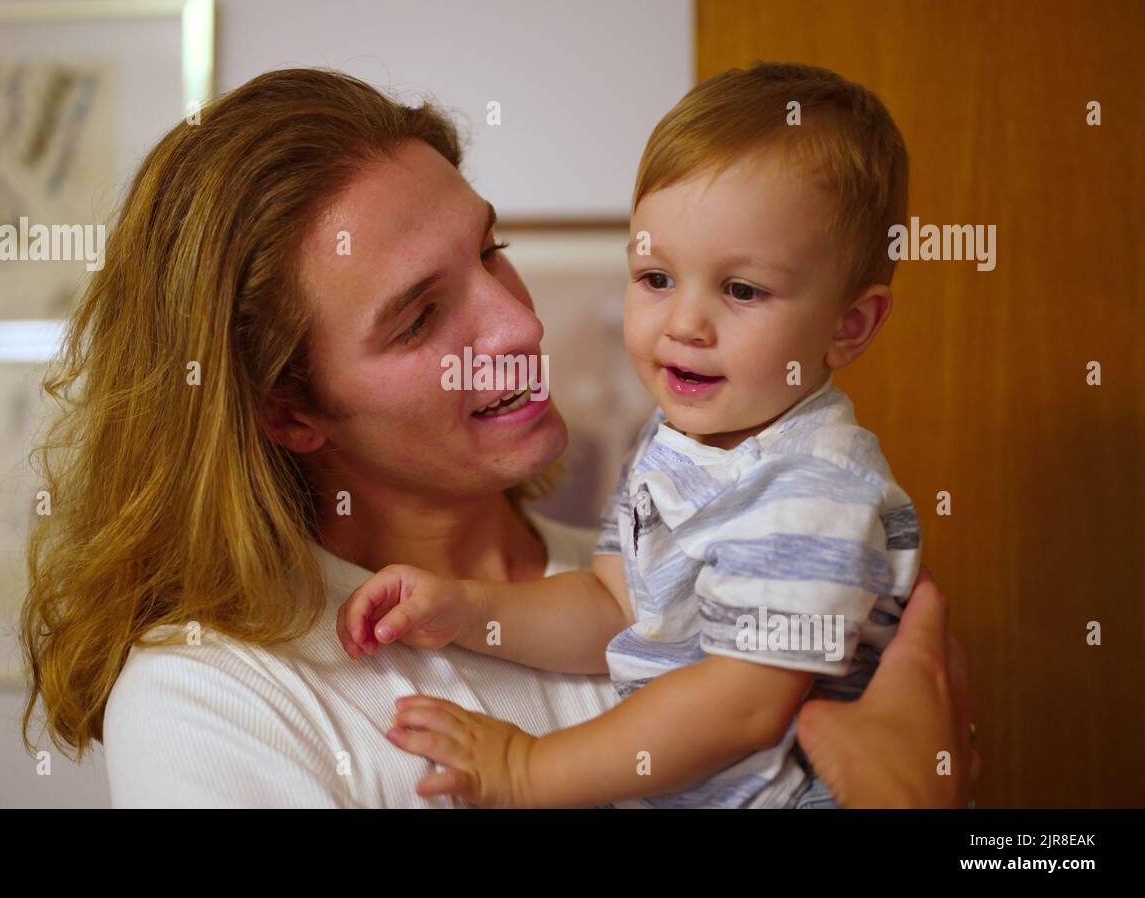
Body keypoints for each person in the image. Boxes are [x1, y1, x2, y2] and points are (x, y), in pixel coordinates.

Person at [17, 67, 978, 808]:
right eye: (419, 317)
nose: (519, 327)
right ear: (288, 412)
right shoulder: (216, 698)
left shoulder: (688, 546)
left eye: (489, 252)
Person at [338, 63, 921, 808]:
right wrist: (471, 610)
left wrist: (527, 769)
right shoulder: (679, 442)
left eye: (741, 290)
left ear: (849, 325)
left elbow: (747, 702)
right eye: (656, 278)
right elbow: (616, 605)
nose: (684, 325)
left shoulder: (811, 488)